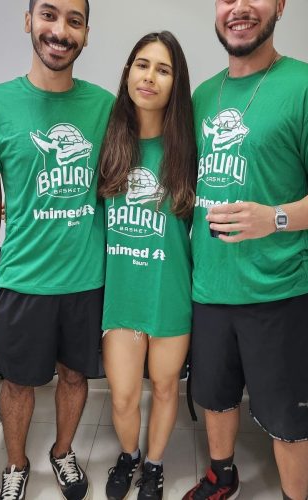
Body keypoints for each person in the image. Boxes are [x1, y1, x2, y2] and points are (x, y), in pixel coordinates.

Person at [182, 1, 308, 499]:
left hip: (282, 292)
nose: (238, 8)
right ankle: (222, 476)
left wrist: (275, 218)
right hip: (210, 287)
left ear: (280, 4)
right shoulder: (200, 96)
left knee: (290, 419)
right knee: (214, 398)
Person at [0, 1, 114, 499]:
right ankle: (16, 465)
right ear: (28, 22)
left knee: (75, 376)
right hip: (22, 280)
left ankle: (62, 453)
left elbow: (119, 182)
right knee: (18, 383)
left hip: (88, 278)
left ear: (86, 34)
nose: (59, 31)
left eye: (74, 20)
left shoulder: (105, 106)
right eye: (48, 15)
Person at [97, 31, 197, 500]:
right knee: (120, 395)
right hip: (122, 293)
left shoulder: (190, 151)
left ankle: (154, 464)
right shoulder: (110, 142)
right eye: (142, 64)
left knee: (163, 388)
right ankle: (130, 454)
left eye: (163, 68)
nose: (150, 76)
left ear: (176, 83)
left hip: (171, 291)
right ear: (128, 73)